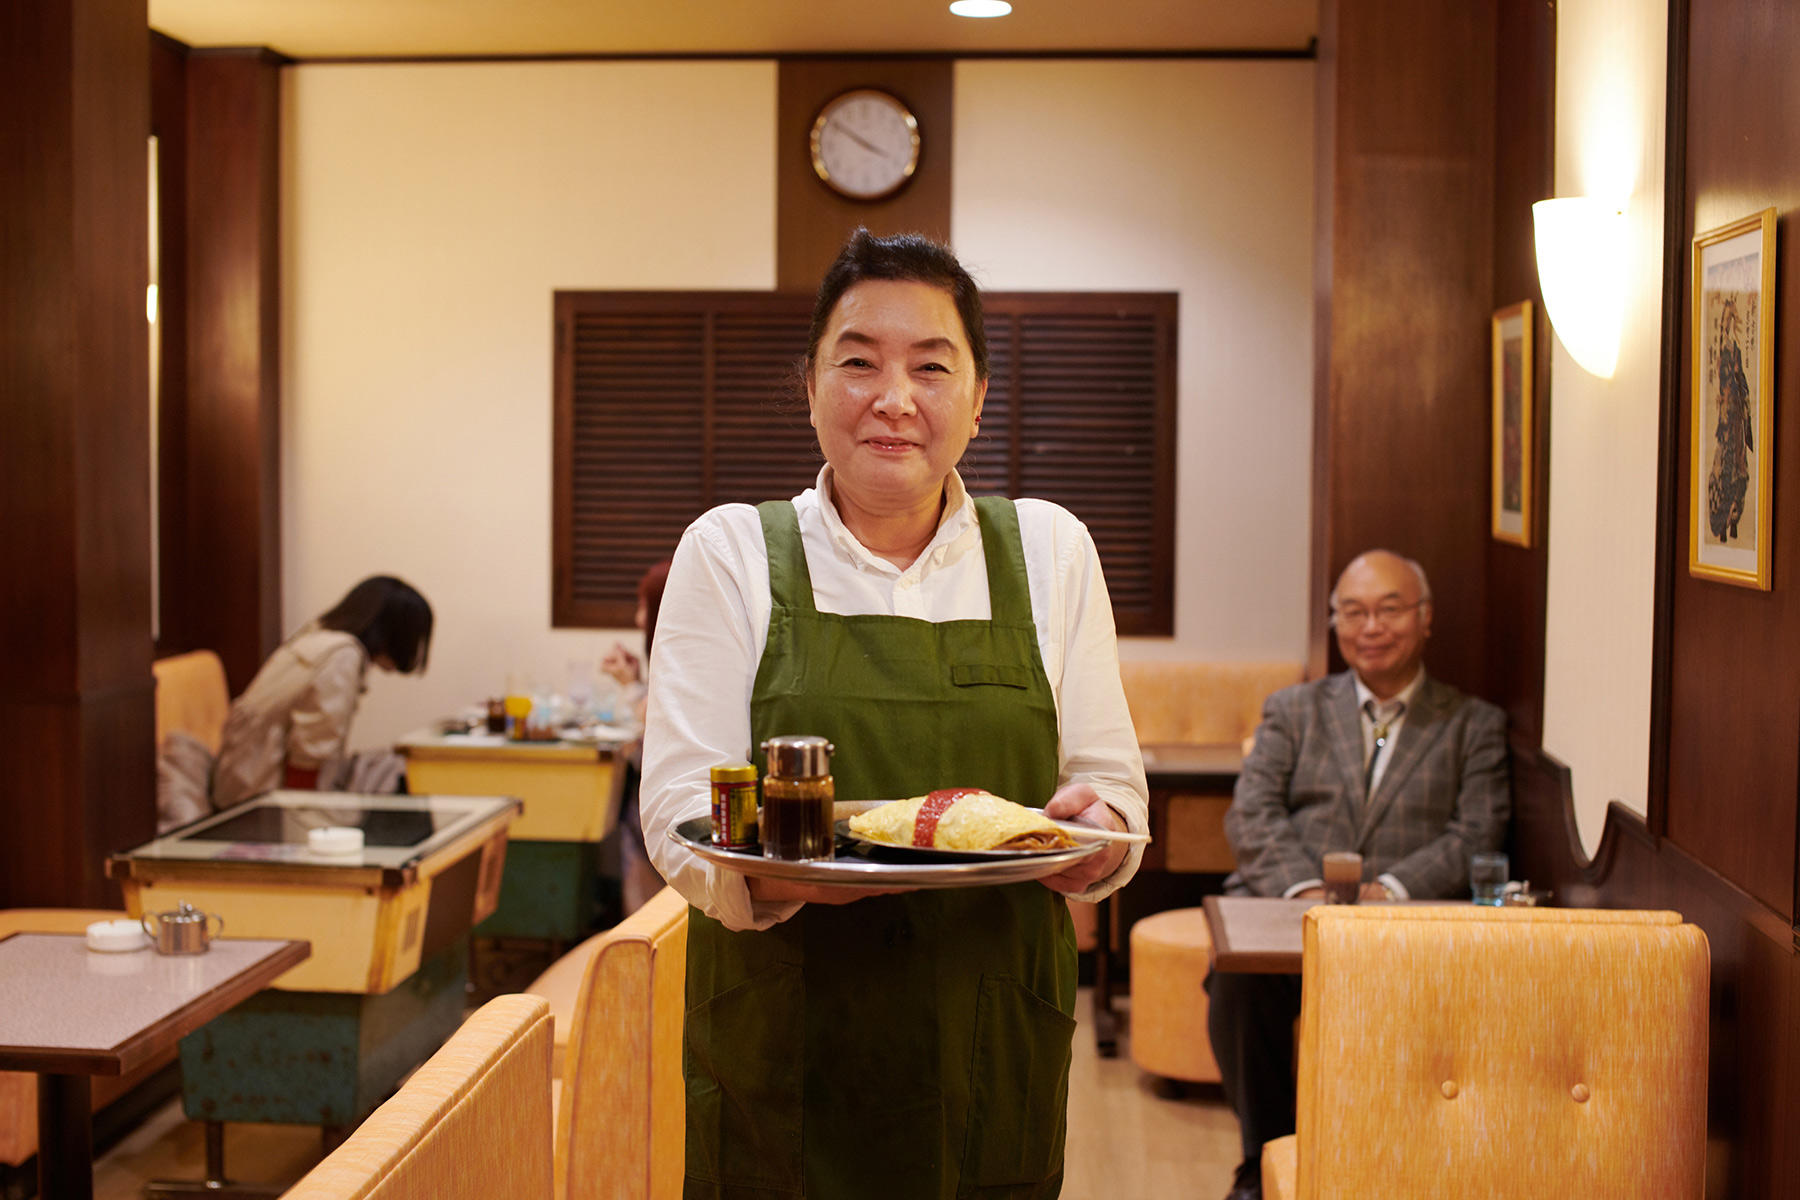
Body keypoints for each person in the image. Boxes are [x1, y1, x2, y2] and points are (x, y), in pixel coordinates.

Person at [640, 229, 1149, 1199]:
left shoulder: (1051, 549)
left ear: (979, 397)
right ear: (810, 386)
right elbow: (677, 811)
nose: (895, 398)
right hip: (781, 1039)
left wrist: (1097, 837)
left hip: (993, 1034)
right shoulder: (731, 551)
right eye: (860, 362)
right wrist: (792, 876)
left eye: (931, 367)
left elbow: (1110, 787)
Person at [1206, 549, 1508, 1200]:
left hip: (1409, 930)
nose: (1371, 627)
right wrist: (1307, 890)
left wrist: (1388, 892)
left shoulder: (1473, 724)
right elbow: (1252, 815)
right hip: (1289, 917)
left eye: (1389, 610)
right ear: (1335, 622)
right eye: (1353, 612)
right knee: (1238, 987)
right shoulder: (1293, 709)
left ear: (1425, 618)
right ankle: (1266, 1160)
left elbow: (1477, 833)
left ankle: (1382, 1168)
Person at [210, 575, 435, 811]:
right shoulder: (342, 656)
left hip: (239, 778)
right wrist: (301, 818)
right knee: (396, 773)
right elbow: (310, 754)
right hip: (262, 791)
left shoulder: (317, 638)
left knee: (386, 766)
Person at [601, 558, 672, 916]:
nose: (639, 618)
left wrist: (630, 686)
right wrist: (633, 682)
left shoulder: (677, 662)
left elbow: (656, 731)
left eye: (644, 606)